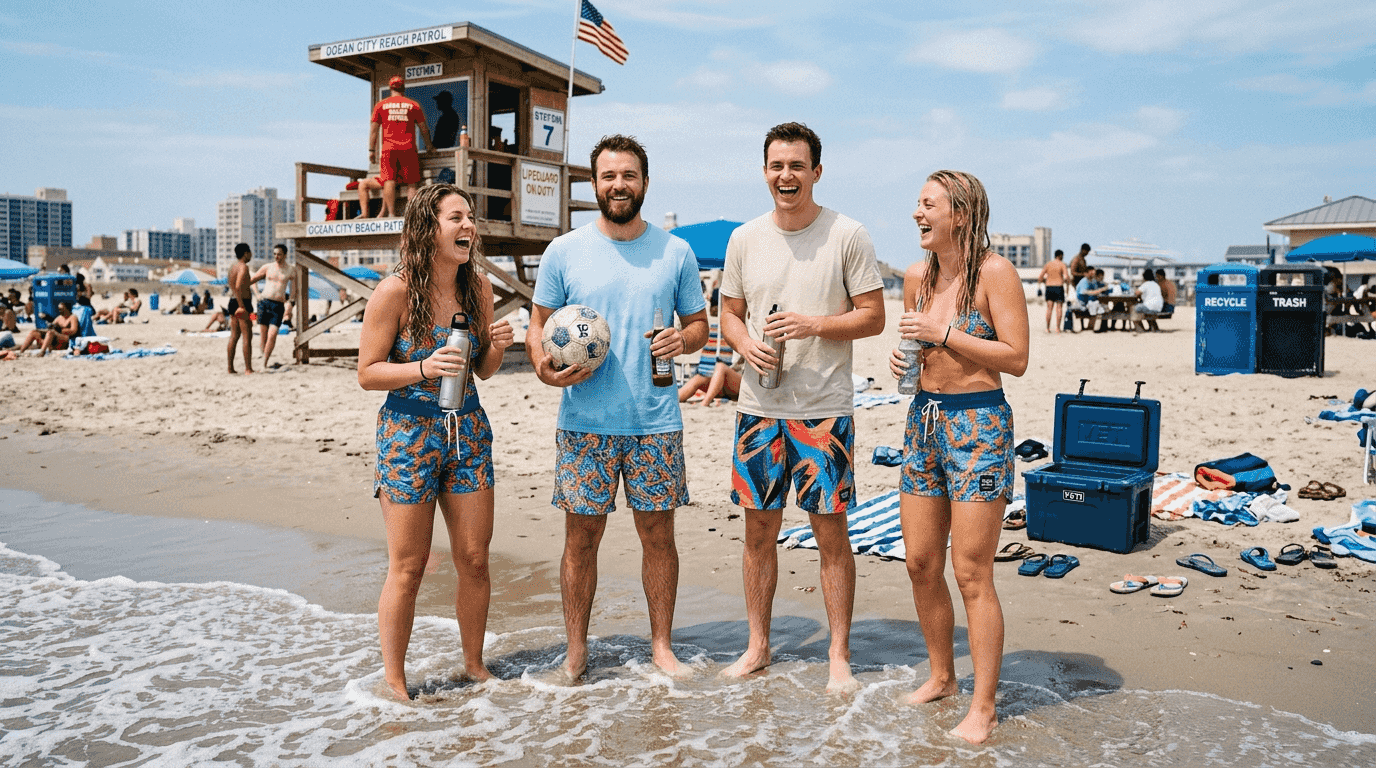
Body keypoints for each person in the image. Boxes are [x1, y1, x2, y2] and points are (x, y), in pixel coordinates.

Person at [525, 134, 708, 681]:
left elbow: (698, 324)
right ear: (594, 183)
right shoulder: (564, 251)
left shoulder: (674, 252)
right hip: (584, 423)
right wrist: (541, 366)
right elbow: (538, 327)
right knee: (581, 539)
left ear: (645, 183)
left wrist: (685, 339)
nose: (619, 185)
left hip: (655, 422)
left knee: (659, 537)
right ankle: (576, 650)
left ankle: (661, 647)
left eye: (628, 175)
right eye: (608, 176)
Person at [717, 122, 886, 693]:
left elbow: (873, 316)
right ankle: (758, 645)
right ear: (764, 171)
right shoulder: (745, 238)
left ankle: (839, 654)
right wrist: (744, 345)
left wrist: (813, 323)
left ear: (816, 171)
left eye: (796, 166)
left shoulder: (848, 234)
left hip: (824, 409)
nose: (784, 176)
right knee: (759, 534)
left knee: (830, 534)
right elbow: (730, 315)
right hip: (758, 409)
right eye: (775, 166)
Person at [887, 170, 1029, 744]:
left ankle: (984, 705)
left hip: (979, 426)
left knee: (971, 571)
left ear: (961, 215)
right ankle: (942, 676)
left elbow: (1016, 357)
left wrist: (943, 334)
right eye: (916, 204)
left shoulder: (995, 273)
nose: (917, 214)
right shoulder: (917, 276)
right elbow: (920, 347)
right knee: (920, 561)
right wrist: (906, 363)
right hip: (923, 420)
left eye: (928, 205)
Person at [358, 184, 514, 700]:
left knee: (474, 558)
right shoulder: (395, 292)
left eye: (471, 217)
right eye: (456, 218)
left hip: (467, 431)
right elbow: (367, 373)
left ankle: (474, 664)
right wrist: (423, 367)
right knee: (409, 564)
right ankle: (395, 680)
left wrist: (498, 348)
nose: (468, 226)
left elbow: (484, 371)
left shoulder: (479, 290)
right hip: (408, 433)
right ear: (428, 229)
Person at [363, 75, 436, 219]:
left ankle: (391, 214)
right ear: (403, 88)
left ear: (391, 88)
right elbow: (423, 128)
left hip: (388, 149)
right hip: (408, 148)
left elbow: (373, 130)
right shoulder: (413, 105)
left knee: (389, 180)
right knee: (412, 183)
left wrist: (371, 150)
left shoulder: (381, 105)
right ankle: (412, 215)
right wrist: (429, 146)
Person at [678, 302, 741, 406]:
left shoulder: (746, 328)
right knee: (699, 378)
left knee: (721, 367)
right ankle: (673, 400)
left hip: (742, 383)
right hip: (725, 383)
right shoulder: (721, 329)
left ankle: (705, 403)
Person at [250, 244, 291, 368]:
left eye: (279, 254)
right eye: (274, 254)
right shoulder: (267, 267)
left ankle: (264, 363)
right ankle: (264, 357)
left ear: (284, 255)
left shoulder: (290, 269)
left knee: (272, 335)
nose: (276, 256)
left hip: (278, 305)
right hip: (264, 302)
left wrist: (291, 302)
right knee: (263, 336)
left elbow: (296, 286)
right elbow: (253, 279)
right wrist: (256, 294)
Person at [227, 243, 255, 374]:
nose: (251, 255)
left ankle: (230, 368)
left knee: (234, 336)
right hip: (243, 303)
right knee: (247, 336)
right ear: (245, 253)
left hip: (233, 302)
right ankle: (248, 368)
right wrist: (242, 306)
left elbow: (235, 286)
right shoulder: (244, 267)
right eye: (249, 252)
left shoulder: (232, 267)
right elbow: (238, 287)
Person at [1037, 250, 1070, 333]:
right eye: (1062, 256)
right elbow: (1066, 277)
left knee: (1049, 309)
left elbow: (1040, 277)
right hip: (1059, 287)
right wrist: (1068, 287)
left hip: (1049, 287)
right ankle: (1057, 328)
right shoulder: (1062, 264)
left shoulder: (1048, 264)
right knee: (1059, 308)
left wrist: (1044, 282)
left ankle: (1047, 328)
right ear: (1060, 255)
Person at [1078, 268, 1112, 333]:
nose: (1102, 278)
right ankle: (1094, 328)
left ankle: (1100, 327)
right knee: (1100, 310)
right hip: (1090, 302)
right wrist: (1102, 290)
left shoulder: (1099, 283)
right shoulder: (1092, 283)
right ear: (1097, 276)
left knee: (1103, 309)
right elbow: (1089, 292)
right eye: (1101, 277)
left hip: (1095, 301)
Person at [1131, 267, 1165, 332]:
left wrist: (1136, 288)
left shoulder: (1146, 284)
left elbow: (1136, 293)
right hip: (1158, 307)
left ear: (1144, 277)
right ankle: (1153, 327)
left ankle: (1140, 328)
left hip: (1150, 307)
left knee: (1134, 308)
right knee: (1144, 307)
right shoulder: (1156, 284)